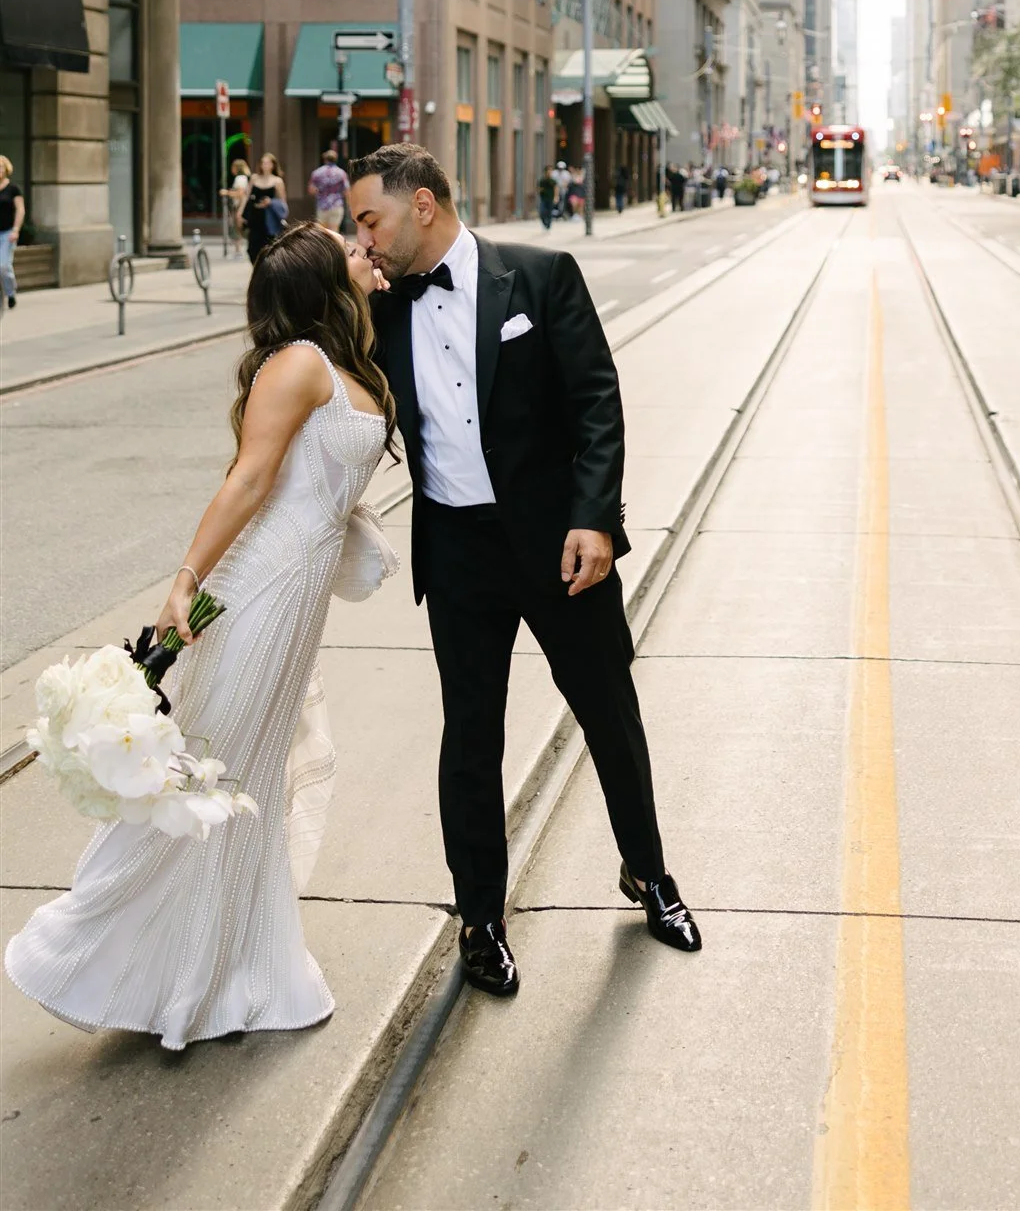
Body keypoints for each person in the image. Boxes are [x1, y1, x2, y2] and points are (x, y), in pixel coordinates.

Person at [4, 225, 395, 1048]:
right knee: (214, 769)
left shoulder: (351, 360)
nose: (366, 248)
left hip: (298, 602)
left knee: (246, 774)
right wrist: (184, 579)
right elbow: (250, 478)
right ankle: (117, 956)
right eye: (350, 247)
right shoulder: (297, 363)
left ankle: (228, 963)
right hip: (255, 593)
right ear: (326, 277)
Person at [349, 143, 700, 997]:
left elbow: (595, 401)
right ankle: (479, 919)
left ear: (422, 205)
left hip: (558, 545)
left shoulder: (540, 278)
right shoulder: (376, 305)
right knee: (470, 740)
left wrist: (595, 520)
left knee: (608, 712)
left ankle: (647, 873)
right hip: (459, 553)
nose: (362, 238)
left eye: (370, 221)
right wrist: (343, 297)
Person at [244, 154, 288, 263]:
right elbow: (246, 197)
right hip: (255, 217)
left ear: (273, 165)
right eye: (263, 162)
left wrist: (270, 202)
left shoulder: (277, 181)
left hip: (269, 219)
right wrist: (241, 213)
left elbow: (283, 204)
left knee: (268, 248)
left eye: (267, 163)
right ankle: (256, 270)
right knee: (252, 249)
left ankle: (265, 273)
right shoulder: (254, 178)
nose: (265, 165)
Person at [0, 155, 24, 311]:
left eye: (0, 167)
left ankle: (10, 292)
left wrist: (16, 229)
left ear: (6, 169)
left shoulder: (13, 189)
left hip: (7, 233)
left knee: (3, 266)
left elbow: (20, 210)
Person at [309, 146, 350, 231]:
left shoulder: (317, 173)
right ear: (336, 159)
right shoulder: (341, 173)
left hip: (322, 205)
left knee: (323, 232)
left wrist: (320, 192)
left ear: (325, 159)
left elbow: (311, 190)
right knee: (334, 230)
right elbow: (347, 191)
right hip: (336, 204)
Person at [221, 156, 250, 258]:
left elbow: (240, 193)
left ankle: (238, 252)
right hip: (239, 206)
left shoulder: (240, 178)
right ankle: (238, 251)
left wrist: (227, 192)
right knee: (237, 229)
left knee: (237, 229)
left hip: (239, 206)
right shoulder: (243, 178)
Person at [536, 167, 557, 231]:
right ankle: (545, 223)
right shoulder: (542, 180)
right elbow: (538, 189)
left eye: (550, 172)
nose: (549, 173)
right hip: (543, 198)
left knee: (549, 212)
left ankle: (548, 224)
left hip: (550, 198)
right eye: (548, 172)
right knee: (542, 211)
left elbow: (556, 189)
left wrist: (556, 197)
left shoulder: (553, 181)